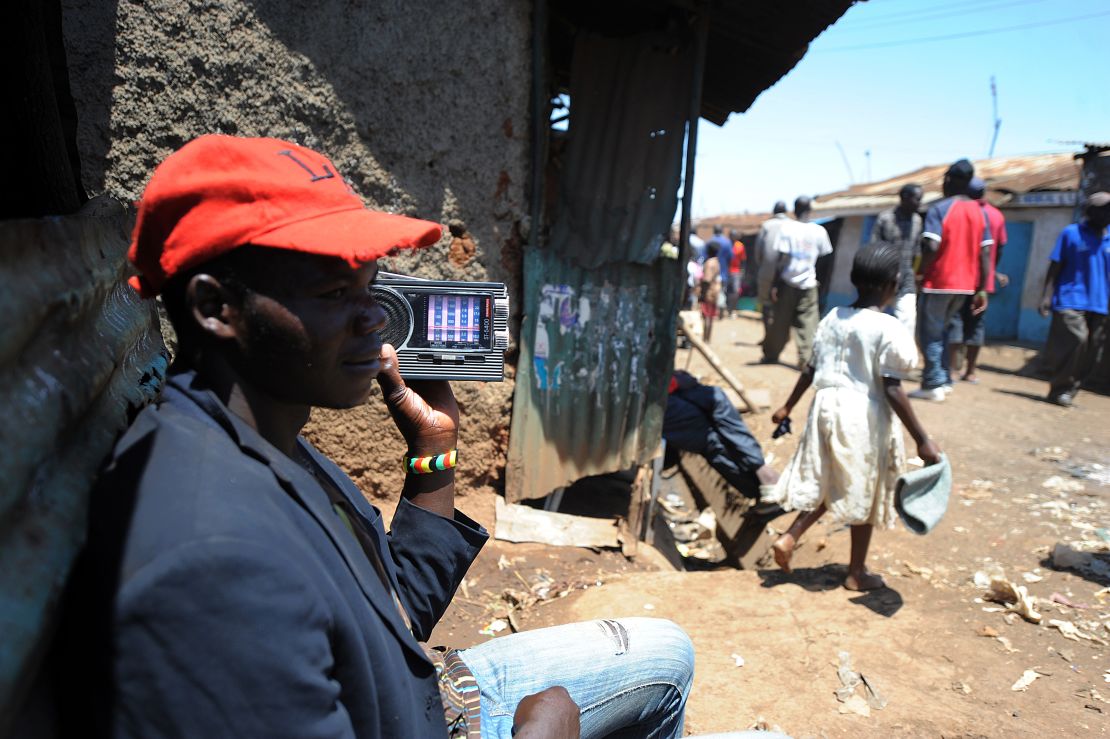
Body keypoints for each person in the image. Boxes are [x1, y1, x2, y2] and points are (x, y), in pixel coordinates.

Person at [59, 134, 697, 739]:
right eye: (337, 292)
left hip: (412, 694)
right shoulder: (213, 565)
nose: (374, 318)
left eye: (372, 287)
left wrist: (433, 452)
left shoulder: (263, 438)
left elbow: (396, 608)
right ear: (216, 308)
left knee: (669, 650)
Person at [762, 245, 942, 590]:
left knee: (834, 481)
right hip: (862, 415)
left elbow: (810, 369)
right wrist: (921, 437)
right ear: (893, 283)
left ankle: (790, 537)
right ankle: (856, 573)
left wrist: (787, 406)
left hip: (825, 408)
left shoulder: (832, 317)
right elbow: (892, 387)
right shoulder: (886, 327)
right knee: (863, 488)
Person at [909, 159, 992, 402]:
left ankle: (932, 383)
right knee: (944, 332)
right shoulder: (980, 212)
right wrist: (981, 289)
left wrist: (920, 272)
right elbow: (985, 253)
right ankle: (944, 379)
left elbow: (931, 245)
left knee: (930, 333)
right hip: (966, 285)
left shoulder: (940, 208)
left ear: (949, 180)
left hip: (939, 282)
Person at [1038, 191, 1110, 407]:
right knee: (1076, 341)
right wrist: (1047, 295)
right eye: (1104, 209)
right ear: (1090, 212)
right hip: (1071, 298)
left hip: (1100, 302)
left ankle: (1070, 389)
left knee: (1092, 349)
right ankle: (1060, 388)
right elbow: (1055, 265)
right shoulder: (1071, 233)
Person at [662, 370, 780, 501]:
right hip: (653, 400)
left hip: (665, 389)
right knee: (707, 435)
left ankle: (760, 468)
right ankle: (757, 486)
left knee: (718, 400)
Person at [946, 176, 1008, 384]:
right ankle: (970, 371)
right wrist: (991, 271)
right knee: (976, 324)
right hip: (983, 281)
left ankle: (953, 370)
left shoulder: (961, 210)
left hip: (960, 277)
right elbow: (998, 249)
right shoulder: (996, 215)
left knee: (955, 321)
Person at [761, 196, 832, 368]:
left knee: (780, 321)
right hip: (809, 284)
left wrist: (775, 285)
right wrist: (821, 283)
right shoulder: (819, 231)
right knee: (808, 324)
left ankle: (771, 354)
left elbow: (781, 259)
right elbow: (824, 260)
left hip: (787, 282)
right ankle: (806, 359)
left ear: (794, 209)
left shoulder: (787, 229)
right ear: (810, 210)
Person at [871, 183, 923, 334]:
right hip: (883, 278)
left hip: (906, 280)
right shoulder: (885, 219)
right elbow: (874, 249)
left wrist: (914, 274)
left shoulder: (917, 221)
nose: (920, 203)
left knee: (907, 321)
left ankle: (901, 356)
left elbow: (917, 252)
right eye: (917, 199)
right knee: (874, 318)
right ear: (904, 198)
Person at [699, 240, 722, 342]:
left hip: (708, 292)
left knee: (706, 315)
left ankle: (705, 339)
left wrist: (702, 293)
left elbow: (706, 280)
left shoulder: (709, 263)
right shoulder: (717, 262)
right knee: (711, 316)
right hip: (715, 291)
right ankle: (708, 338)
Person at [709, 225, 733, 317]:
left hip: (711, 272)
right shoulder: (727, 242)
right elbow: (731, 257)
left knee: (711, 292)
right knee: (722, 290)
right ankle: (721, 306)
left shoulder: (710, 241)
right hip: (723, 271)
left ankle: (713, 311)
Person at [728, 229, 746, 312]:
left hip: (736, 271)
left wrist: (742, 271)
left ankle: (733, 309)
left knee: (736, 291)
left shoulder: (740, 246)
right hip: (726, 271)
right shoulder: (727, 244)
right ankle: (727, 308)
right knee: (727, 290)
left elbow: (743, 260)